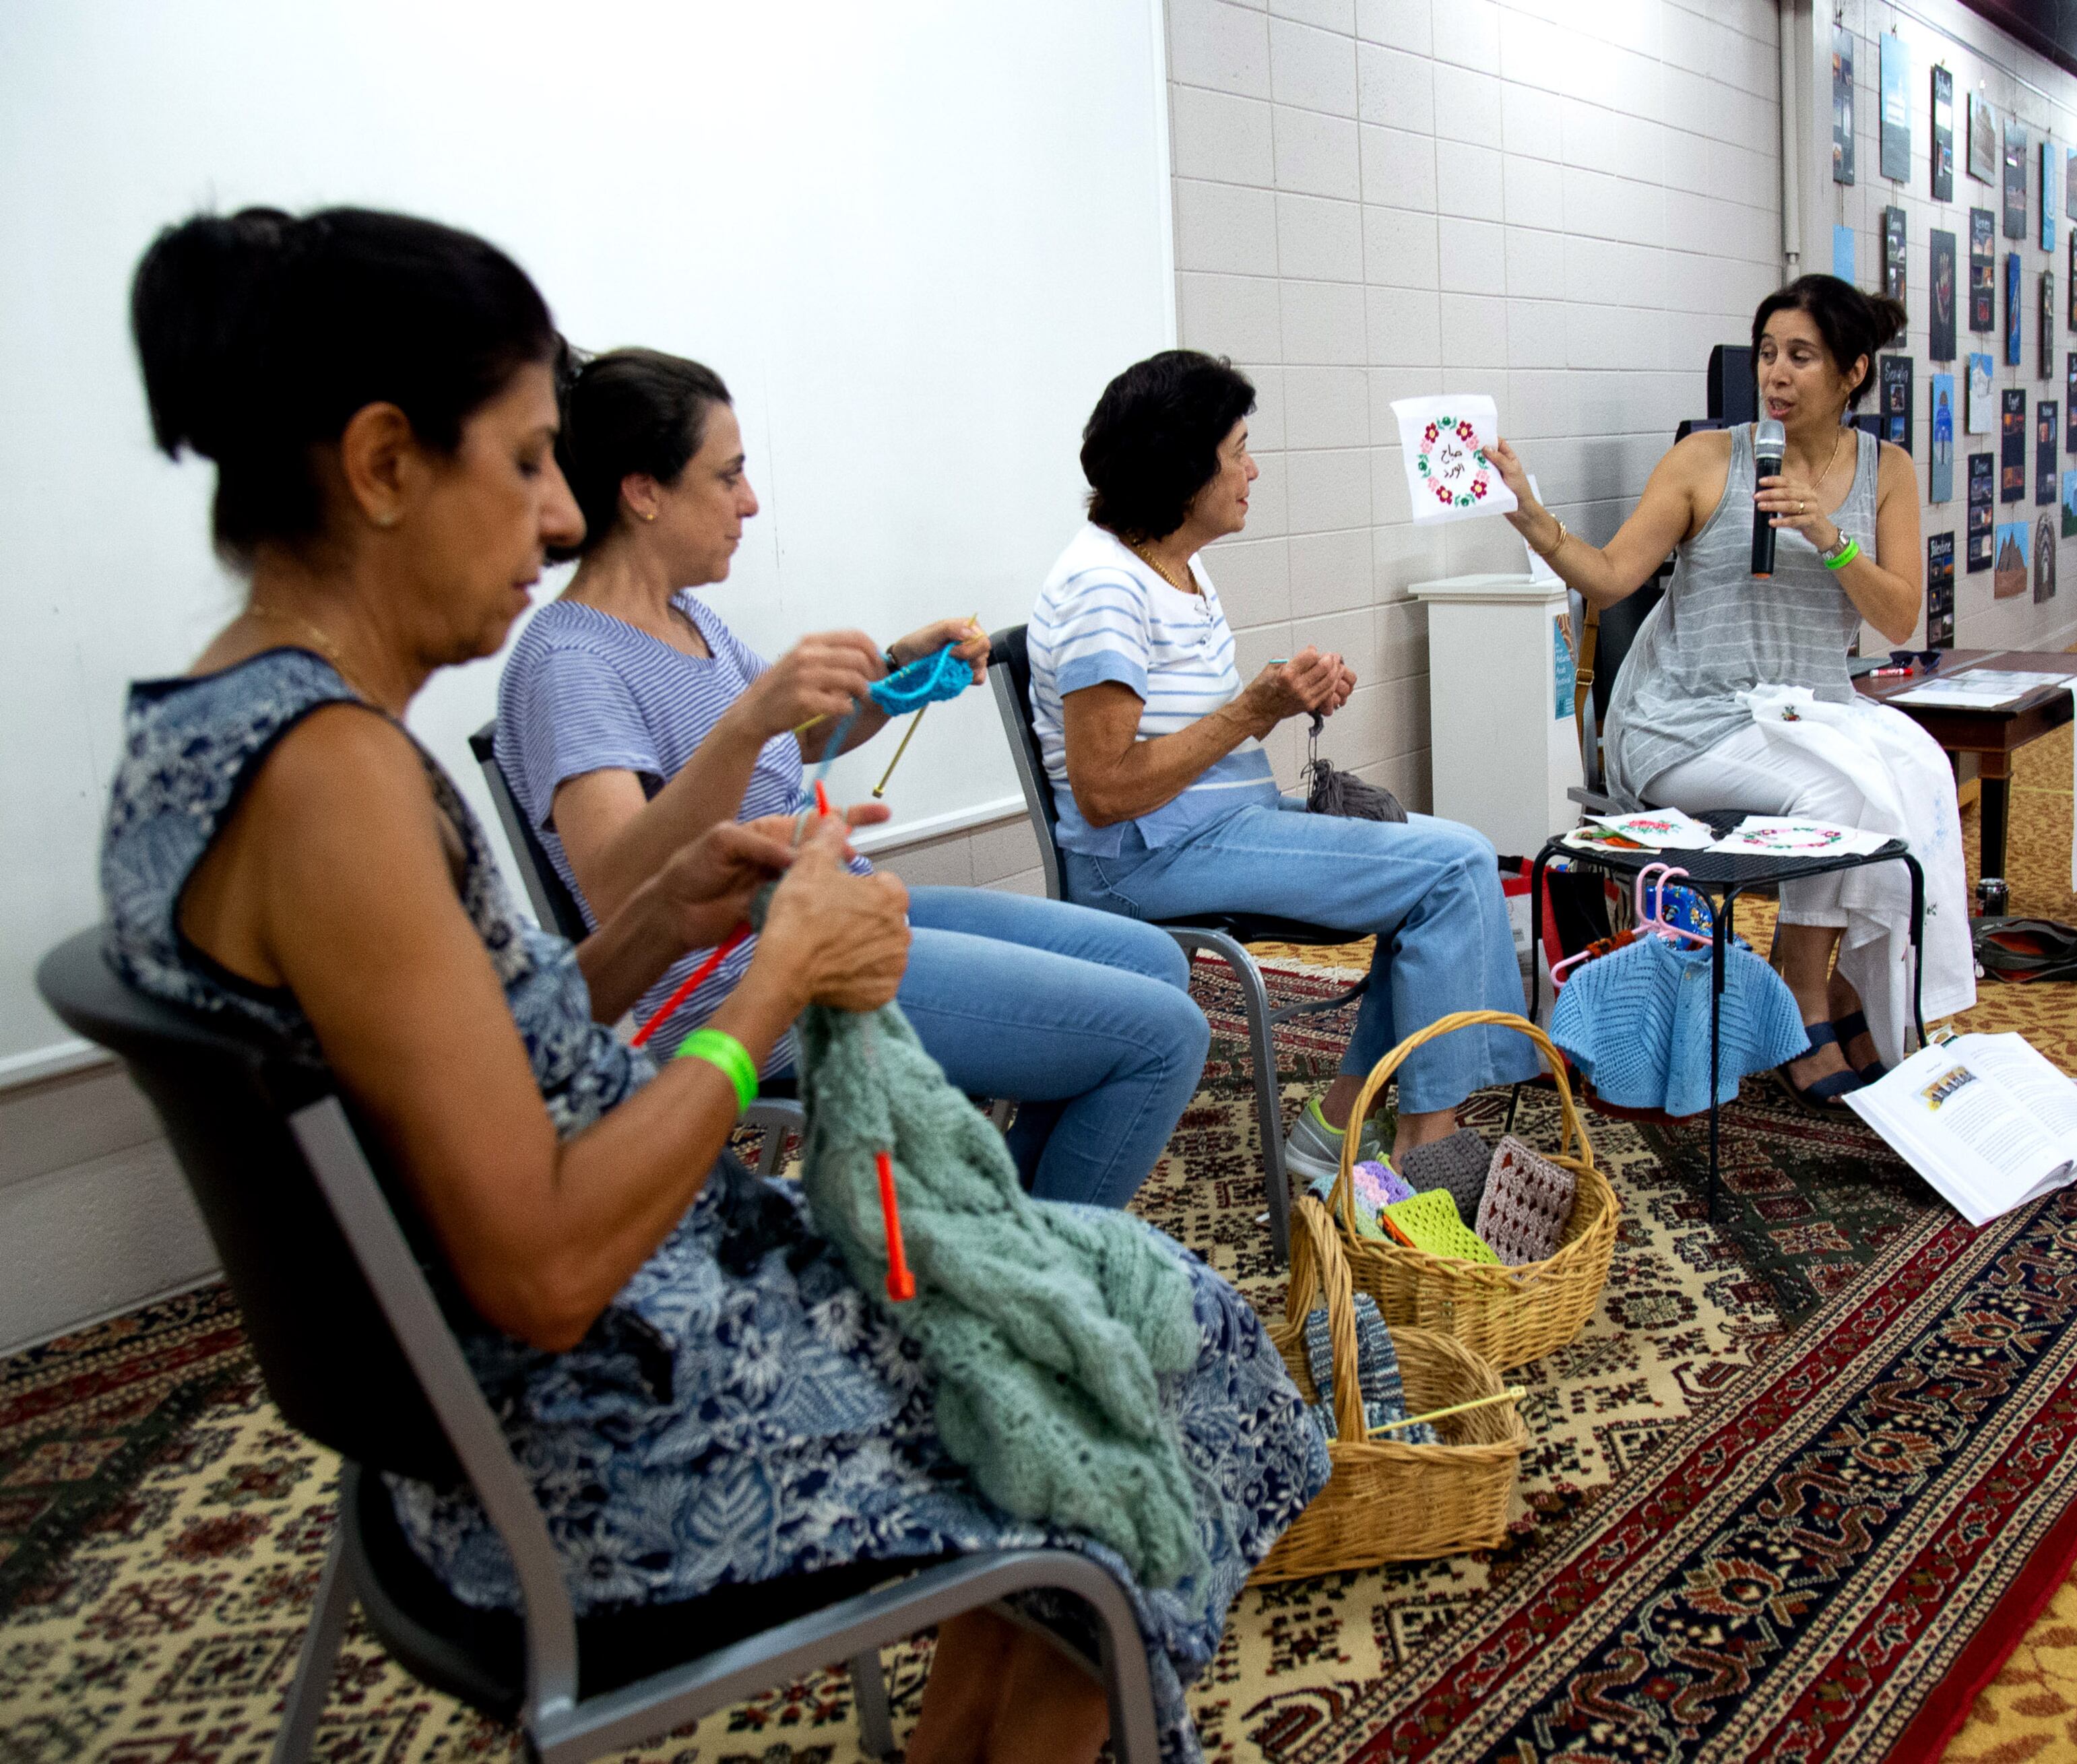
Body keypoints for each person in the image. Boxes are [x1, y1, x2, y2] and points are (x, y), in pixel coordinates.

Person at [106, 206, 1324, 1764]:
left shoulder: (209, 736)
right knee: (1160, 1370)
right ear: (385, 462)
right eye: (528, 460)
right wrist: (768, 991)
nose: (554, 521)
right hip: (594, 1432)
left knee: (1101, 1318)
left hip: (514, 1389)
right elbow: (544, 1270)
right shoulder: (331, 778)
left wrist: (653, 926)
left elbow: (493, 1049)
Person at [493, 348, 1211, 1210]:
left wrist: (902, 669)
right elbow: (620, 890)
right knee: (1163, 1038)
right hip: (746, 984)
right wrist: (748, 720)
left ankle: (1004, 1226)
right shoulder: (569, 661)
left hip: (828, 910)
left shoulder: (688, 619)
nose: (750, 503)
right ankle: (1038, 1273)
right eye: (728, 478)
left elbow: (796, 740)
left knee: (1152, 963)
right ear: (643, 491)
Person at [1029, 350, 1538, 1182]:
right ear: (1182, 469)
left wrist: (1287, 696)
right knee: (1451, 870)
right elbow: (1107, 790)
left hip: (1214, 830)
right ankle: (1421, 1143)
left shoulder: (1174, 566)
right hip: (1145, 861)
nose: (1253, 470)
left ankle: (1344, 1128)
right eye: (1237, 453)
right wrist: (1252, 711)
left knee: (1462, 857)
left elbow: (1184, 733)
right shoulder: (1102, 590)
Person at [1493, 275, 1977, 1103]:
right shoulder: (1706, 460)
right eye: (1767, 354)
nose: (1777, 375)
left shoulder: (1886, 471)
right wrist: (1534, 518)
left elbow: (1899, 618)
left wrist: (1828, 538)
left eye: (1801, 357)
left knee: (1923, 776)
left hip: (1808, 712)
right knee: (1843, 794)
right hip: (1686, 723)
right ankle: (1802, 990)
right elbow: (1609, 579)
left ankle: (1862, 989)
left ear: (1853, 373)